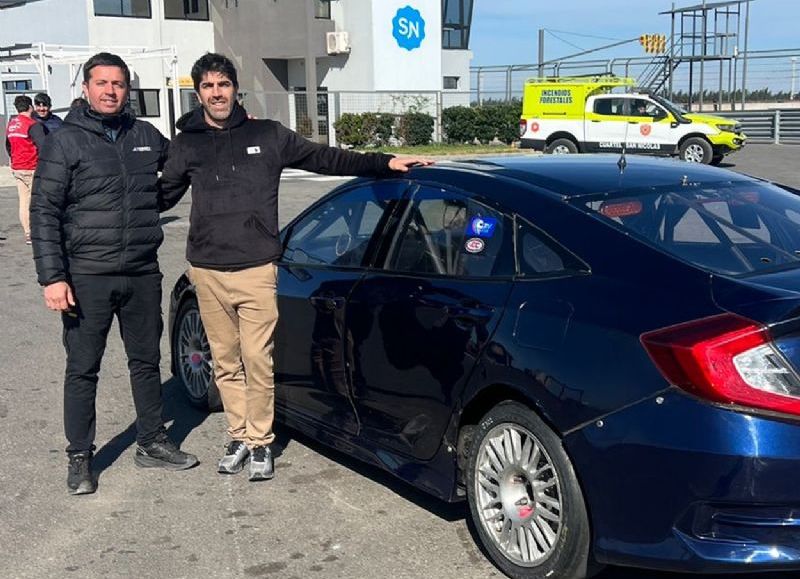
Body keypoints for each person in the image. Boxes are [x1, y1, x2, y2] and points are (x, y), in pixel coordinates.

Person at [159, 52, 432, 482]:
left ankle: (261, 441)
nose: (217, 93)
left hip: (256, 269)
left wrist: (383, 162)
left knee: (257, 359)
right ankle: (237, 436)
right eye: (209, 87)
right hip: (208, 269)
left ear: (235, 89)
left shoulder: (268, 136)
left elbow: (327, 159)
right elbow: (163, 195)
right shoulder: (187, 145)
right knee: (226, 362)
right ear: (198, 94)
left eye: (224, 85)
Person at [30, 52, 199, 496]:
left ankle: (152, 441)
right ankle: (80, 457)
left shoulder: (144, 135)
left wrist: (153, 201)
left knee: (145, 361)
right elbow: (44, 210)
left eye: (119, 84)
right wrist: (53, 277)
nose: (110, 91)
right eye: (101, 83)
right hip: (87, 277)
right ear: (85, 88)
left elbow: (181, 163)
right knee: (83, 368)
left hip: (142, 272)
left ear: (128, 90)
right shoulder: (65, 140)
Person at [5, 95, 46, 245]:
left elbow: (8, 145)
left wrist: (14, 159)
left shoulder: (11, 124)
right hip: (32, 166)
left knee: (23, 201)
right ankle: (37, 231)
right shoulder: (33, 125)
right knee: (38, 200)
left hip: (17, 167)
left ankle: (28, 233)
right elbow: (43, 146)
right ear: (31, 107)